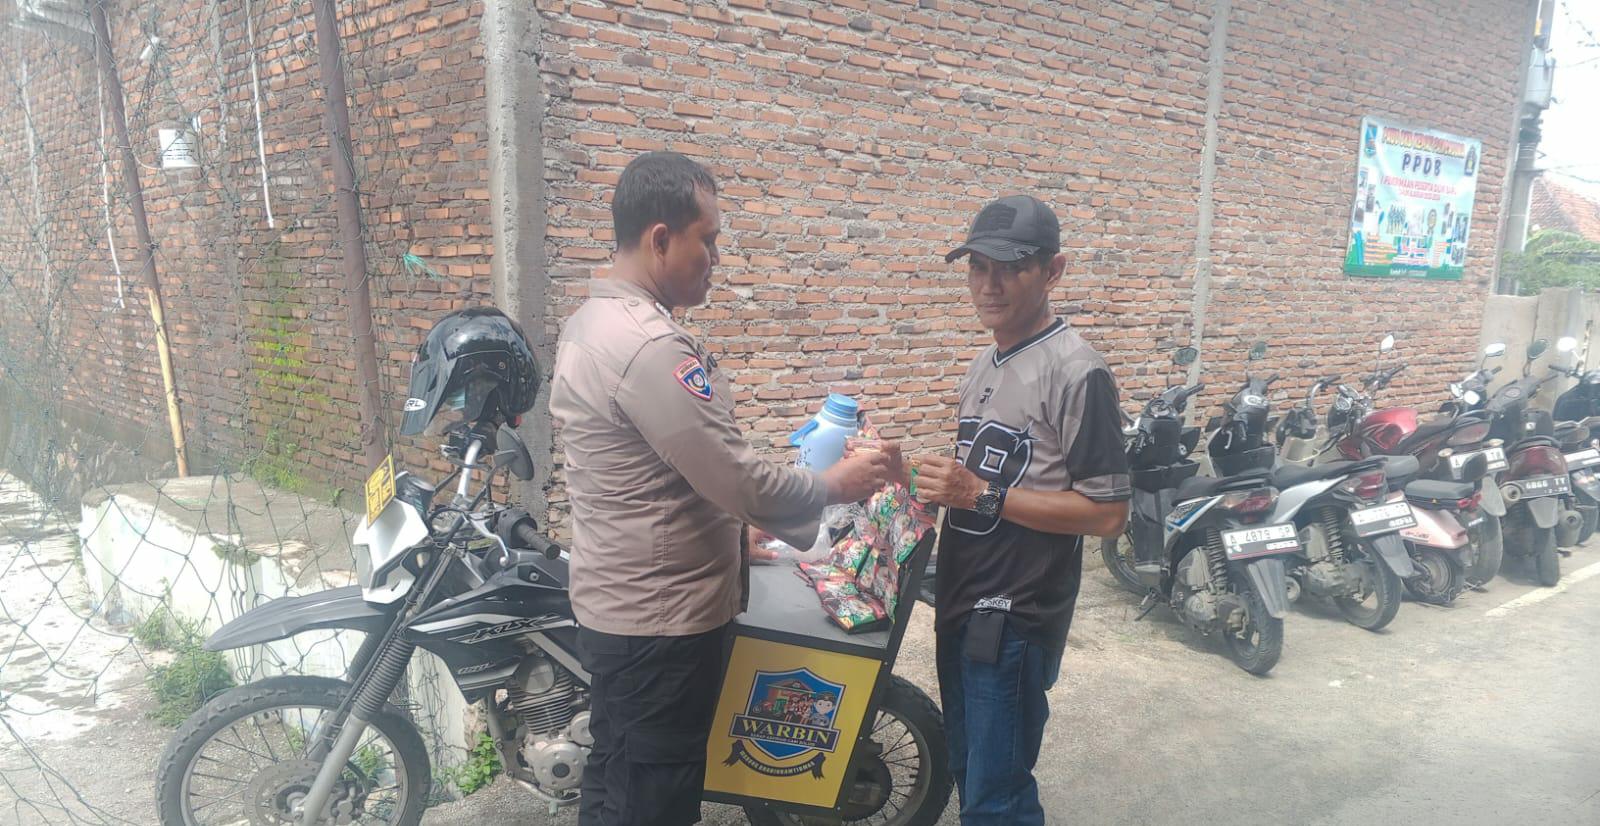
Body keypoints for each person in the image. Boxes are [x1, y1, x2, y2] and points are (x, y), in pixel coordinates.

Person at [548, 151, 897, 826]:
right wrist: (831, 484)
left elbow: (660, 476)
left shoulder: (592, 320)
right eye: (706, 241)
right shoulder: (649, 346)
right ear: (660, 239)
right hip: (660, 624)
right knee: (653, 799)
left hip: (623, 607)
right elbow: (734, 475)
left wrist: (735, 533)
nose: (715, 259)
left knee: (617, 774)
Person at [912, 195, 1131, 824]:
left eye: (1010, 268)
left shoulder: (1078, 372)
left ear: (1053, 271)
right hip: (963, 599)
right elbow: (980, 481)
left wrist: (981, 495)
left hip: (1015, 615)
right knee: (969, 772)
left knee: (997, 800)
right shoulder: (985, 361)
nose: (990, 285)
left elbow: (1108, 514)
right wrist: (907, 473)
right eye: (978, 267)